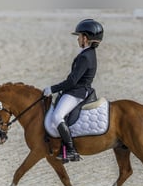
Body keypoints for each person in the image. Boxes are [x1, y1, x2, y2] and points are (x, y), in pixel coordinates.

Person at [43, 19, 104, 162]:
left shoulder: (85, 57)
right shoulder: (88, 53)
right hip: (79, 90)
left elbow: (72, 81)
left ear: (86, 38)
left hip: (77, 92)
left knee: (57, 116)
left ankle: (71, 150)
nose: (77, 38)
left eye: (79, 36)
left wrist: (52, 89)